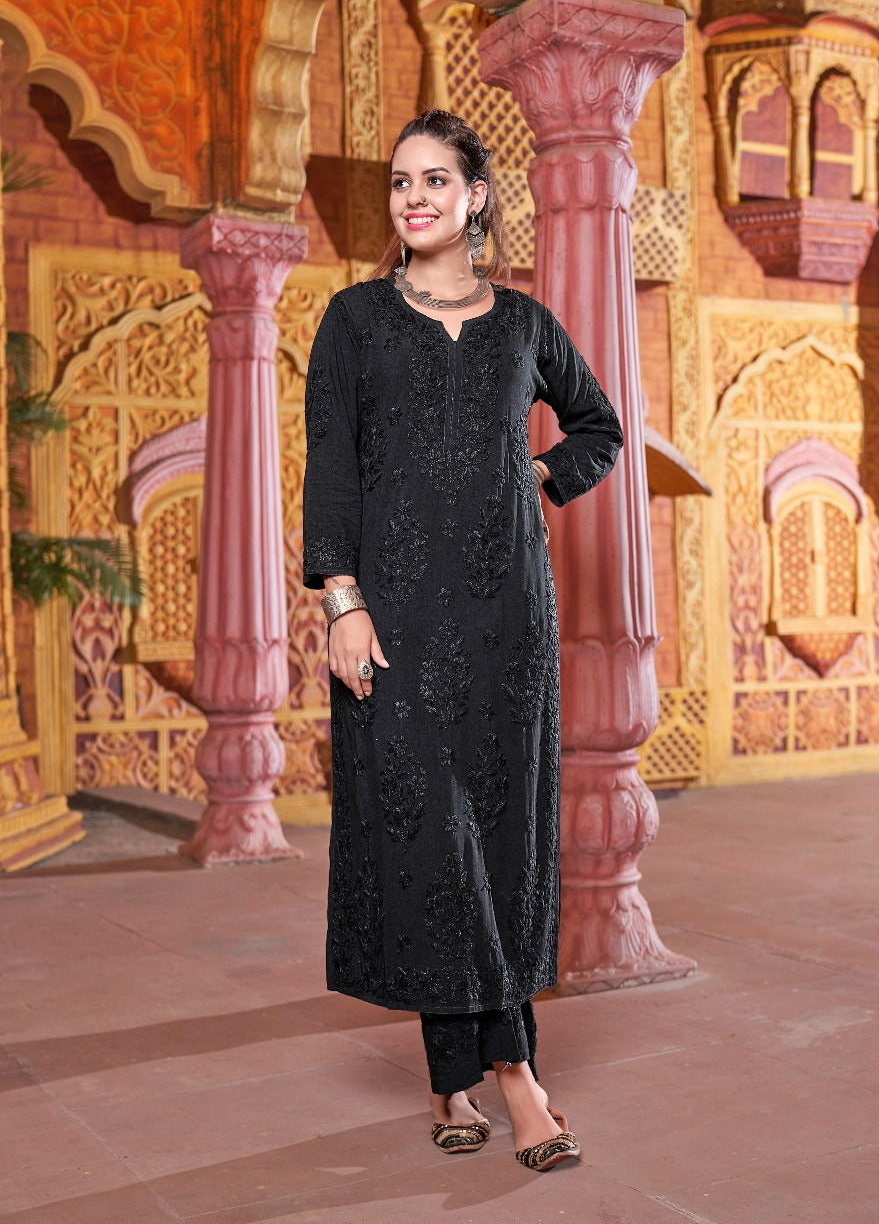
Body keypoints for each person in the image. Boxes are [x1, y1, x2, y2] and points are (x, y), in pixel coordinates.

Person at [302, 109, 623, 1172]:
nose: (414, 198)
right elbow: (331, 466)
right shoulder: (354, 320)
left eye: (435, 180)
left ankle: (452, 1080)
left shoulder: (524, 324)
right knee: (429, 838)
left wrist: (537, 474)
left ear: (476, 196)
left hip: (507, 622)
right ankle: (519, 1077)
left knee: (498, 839)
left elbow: (599, 427)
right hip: (392, 621)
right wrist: (341, 601)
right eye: (401, 182)